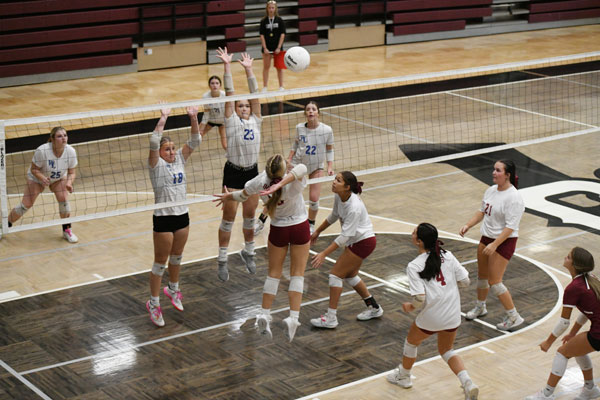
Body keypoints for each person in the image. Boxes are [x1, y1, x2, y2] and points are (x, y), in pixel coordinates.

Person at [214, 154, 310, 342]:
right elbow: (303, 168)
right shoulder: (293, 178)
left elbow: (242, 195)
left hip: (279, 229)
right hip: (299, 226)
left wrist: (228, 196)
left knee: (273, 274)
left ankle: (265, 313)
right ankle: (293, 318)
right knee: (297, 274)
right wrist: (281, 183)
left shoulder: (260, 181)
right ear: (284, 169)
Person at [387, 223, 479, 400]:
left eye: (414, 232)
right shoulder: (448, 255)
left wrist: (410, 307)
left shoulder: (414, 265)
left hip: (432, 315)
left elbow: (419, 298)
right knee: (447, 350)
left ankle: (404, 376)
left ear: (419, 242)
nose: (412, 234)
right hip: (453, 313)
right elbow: (466, 281)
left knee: (411, 343)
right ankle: (468, 382)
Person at [145, 104, 202, 327]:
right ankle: (153, 303)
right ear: (160, 152)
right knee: (160, 263)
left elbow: (196, 140)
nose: (171, 152)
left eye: (172, 148)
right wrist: (163, 117)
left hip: (182, 215)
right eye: (166, 149)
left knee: (177, 257)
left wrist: (194, 118)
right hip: (164, 218)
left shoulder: (179, 159)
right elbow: (153, 141)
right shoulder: (155, 164)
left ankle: (173, 288)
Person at [309, 171, 382, 328]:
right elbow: (334, 215)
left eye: (338, 180)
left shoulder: (354, 207)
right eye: (335, 179)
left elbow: (344, 237)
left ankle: (331, 318)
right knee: (350, 275)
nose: (334, 182)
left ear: (347, 187)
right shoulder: (339, 195)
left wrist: (324, 253)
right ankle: (374, 307)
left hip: (363, 242)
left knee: (335, 275)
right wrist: (317, 231)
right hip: (357, 241)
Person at [525, 247, 600, 400]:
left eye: (569, 257)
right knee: (577, 349)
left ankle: (547, 394)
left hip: (598, 333)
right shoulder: (591, 278)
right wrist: (573, 334)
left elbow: (563, 323)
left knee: (562, 352)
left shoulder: (573, 288)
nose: (565, 257)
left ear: (575, 265)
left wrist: (548, 342)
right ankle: (590, 389)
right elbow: (588, 312)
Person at [459, 159, 525, 331]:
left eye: (498, 170)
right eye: (494, 169)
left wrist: (495, 244)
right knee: (482, 277)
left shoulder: (514, 198)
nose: (494, 173)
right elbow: (482, 211)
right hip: (486, 239)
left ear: (507, 175)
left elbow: (511, 227)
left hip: (503, 242)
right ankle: (480, 307)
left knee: (495, 281)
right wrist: (468, 225)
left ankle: (514, 317)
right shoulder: (491, 190)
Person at [214, 47, 262, 282]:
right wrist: (227, 66)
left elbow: (255, 95)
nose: (244, 108)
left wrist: (249, 70)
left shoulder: (256, 120)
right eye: (240, 105)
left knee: (250, 217)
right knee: (229, 218)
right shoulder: (231, 120)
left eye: (246, 105)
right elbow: (230, 94)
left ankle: (249, 252)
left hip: (252, 173)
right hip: (233, 173)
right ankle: (222, 259)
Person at [254, 101, 334, 235]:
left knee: (314, 199)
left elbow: (330, 149)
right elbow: (295, 145)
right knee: (278, 192)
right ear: (305, 113)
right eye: (308, 109)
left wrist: (330, 166)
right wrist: (289, 159)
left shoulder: (327, 130)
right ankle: (261, 220)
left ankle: (310, 224)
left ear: (318, 113)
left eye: (314, 109)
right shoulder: (299, 128)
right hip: (297, 165)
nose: (311, 111)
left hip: (316, 166)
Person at [7, 126, 78, 243]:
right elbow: (34, 169)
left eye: (65, 135)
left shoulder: (71, 151)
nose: (64, 138)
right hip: (37, 178)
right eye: (59, 136)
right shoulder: (42, 151)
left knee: (64, 200)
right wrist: (42, 178)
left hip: (58, 178)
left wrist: (69, 183)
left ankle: (67, 230)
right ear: (52, 139)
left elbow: (72, 172)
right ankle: (4, 225)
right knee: (26, 204)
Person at [259, 0, 286, 91]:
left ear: (275, 9)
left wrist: (279, 47)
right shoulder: (263, 21)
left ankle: (281, 86)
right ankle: (265, 87)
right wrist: (265, 48)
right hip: (267, 48)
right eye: (269, 8)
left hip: (277, 48)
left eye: (272, 8)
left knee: (279, 67)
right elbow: (262, 35)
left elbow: (282, 34)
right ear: (267, 9)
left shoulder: (280, 20)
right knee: (266, 67)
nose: (271, 9)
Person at [199, 75, 227, 150]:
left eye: (217, 83)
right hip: (211, 120)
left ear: (220, 85)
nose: (215, 85)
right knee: (196, 137)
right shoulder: (205, 97)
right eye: (212, 83)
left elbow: (230, 111)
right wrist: (201, 129)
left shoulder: (225, 95)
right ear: (209, 85)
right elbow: (206, 114)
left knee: (225, 145)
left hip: (223, 122)